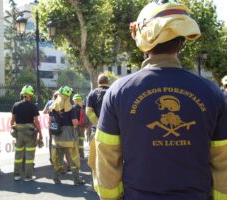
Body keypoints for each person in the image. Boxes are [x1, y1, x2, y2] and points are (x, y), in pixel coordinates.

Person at [90, 1, 227, 199]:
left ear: (143, 37)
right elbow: (223, 161)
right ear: (182, 40)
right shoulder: (212, 93)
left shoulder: (118, 92)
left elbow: (107, 159)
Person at [49, 86, 84, 185]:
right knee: (74, 158)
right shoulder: (70, 108)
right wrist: (76, 123)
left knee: (59, 159)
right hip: (69, 137)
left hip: (57, 137)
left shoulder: (53, 107)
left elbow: (52, 121)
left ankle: (56, 177)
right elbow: (74, 122)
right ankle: (76, 180)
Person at [10, 85, 43, 181]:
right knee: (29, 156)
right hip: (30, 134)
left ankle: (16, 175)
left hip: (19, 134)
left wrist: (12, 129)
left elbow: (12, 120)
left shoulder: (16, 105)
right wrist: (40, 133)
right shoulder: (33, 106)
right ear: (31, 95)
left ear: (22, 94)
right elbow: (36, 121)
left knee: (18, 155)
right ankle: (28, 176)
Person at [86, 74, 109, 139]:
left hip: (97, 129)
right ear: (108, 82)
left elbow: (88, 111)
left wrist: (98, 123)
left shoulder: (92, 93)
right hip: (111, 128)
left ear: (97, 82)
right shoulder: (113, 91)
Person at [72, 94, 87, 158]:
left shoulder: (74, 107)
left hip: (76, 126)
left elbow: (74, 118)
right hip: (82, 126)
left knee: (76, 140)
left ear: (75, 100)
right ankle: (82, 154)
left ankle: (77, 154)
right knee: (81, 141)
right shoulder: (83, 107)